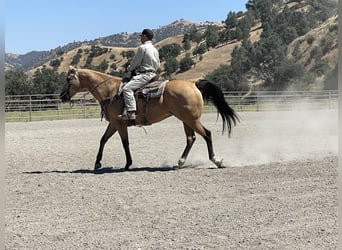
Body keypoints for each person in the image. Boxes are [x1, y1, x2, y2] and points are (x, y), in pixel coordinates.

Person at [119, 28, 160, 120]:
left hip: (145, 75)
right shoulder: (155, 49)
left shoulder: (142, 48)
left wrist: (129, 69)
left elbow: (135, 63)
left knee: (126, 88)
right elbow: (158, 64)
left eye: (141, 36)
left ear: (145, 36)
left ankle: (131, 112)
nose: (140, 38)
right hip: (153, 74)